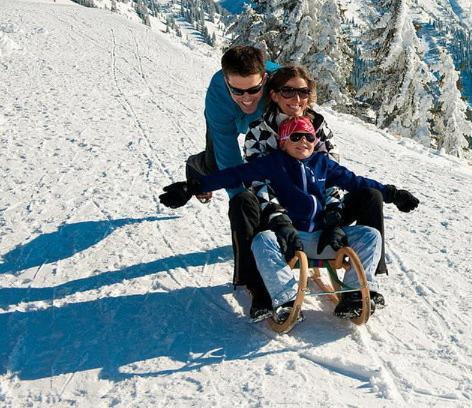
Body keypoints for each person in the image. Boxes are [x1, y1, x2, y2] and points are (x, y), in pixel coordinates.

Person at [160, 117, 420, 321]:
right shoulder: (273, 163)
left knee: (370, 235)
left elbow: (357, 182)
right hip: (289, 238)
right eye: (295, 136)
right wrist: (192, 187)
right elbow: (234, 175)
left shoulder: (324, 164)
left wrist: (393, 194)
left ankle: (354, 294)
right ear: (283, 142)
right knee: (262, 240)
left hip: (324, 236)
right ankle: (284, 298)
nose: (303, 141)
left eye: (308, 137)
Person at [243, 66, 392, 277]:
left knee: (371, 195)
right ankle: (254, 281)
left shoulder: (319, 126)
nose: (296, 98)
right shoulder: (259, 131)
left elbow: (332, 175)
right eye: (288, 91)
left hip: (320, 213)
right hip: (280, 214)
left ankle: (365, 279)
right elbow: (257, 181)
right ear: (274, 95)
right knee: (242, 202)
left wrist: (333, 215)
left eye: (303, 92)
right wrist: (279, 218)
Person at [187, 45, 278, 318]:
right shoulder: (217, 97)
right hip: (225, 119)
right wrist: (246, 207)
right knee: (216, 166)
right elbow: (229, 159)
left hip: (259, 123)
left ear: (264, 79)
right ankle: (195, 168)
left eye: (253, 90)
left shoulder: (276, 85)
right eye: (237, 90)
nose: (246, 97)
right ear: (226, 81)